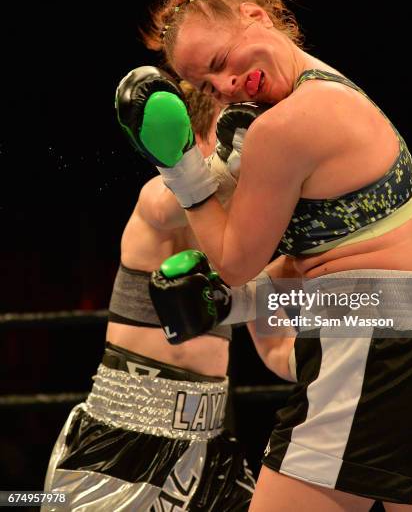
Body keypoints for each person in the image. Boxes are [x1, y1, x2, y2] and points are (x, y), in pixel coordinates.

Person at [126, 0, 412, 511]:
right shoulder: (333, 91)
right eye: (204, 85)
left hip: (373, 347)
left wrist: (185, 173)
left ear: (256, 16)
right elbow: (321, 257)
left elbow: (236, 261)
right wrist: (239, 302)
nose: (223, 87)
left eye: (220, 63)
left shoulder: (284, 127)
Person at [42, 81, 283, 511]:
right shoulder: (156, 201)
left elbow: (273, 349)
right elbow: (166, 204)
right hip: (124, 441)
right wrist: (230, 165)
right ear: (190, 138)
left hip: (209, 446)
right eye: (229, 131)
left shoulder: (244, 237)